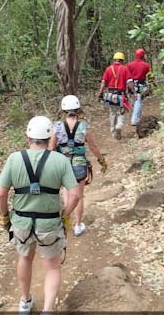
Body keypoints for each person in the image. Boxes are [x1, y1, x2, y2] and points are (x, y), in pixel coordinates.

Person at [0, 116, 82, 313]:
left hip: (21, 223)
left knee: (25, 259)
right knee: (52, 267)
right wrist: (65, 217)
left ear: (28, 137)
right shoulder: (60, 160)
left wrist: (5, 218)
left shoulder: (14, 159)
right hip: (50, 223)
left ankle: (25, 302)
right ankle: (48, 309)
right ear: (50, 137)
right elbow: (75, 194)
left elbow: (1, 194)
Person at [48, 95, 108, 237]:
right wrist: (102, 161)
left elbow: (50, 148)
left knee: (66, 191)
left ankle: (65, 219)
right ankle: (78, 225)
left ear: (63, 109)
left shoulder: (57, 127)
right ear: (78, 109)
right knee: (79, 196)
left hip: (62, 165)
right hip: (79, 165)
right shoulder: (83, 127)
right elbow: (93, 146)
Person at [98, 52, 135, 140]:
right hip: (121, 95)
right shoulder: (125, 69)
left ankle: (113, 130)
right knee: (122, 111)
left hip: (110, 95)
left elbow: (103, 83)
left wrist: (100, 94)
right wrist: (134, 92)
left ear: (114, 60)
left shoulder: (108, 69)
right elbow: (129, 82)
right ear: (122, 60)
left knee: (112, 112)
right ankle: (119, 126)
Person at [127, 48, 151, 126]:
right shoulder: (146, 65)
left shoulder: (130, 65)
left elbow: (127, 77)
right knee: (138, 101)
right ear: (143, 56)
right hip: (141, 85)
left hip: (131, 85)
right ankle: (134, 120)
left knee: (137, 101)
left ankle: (137, 117)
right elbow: (150, 76)